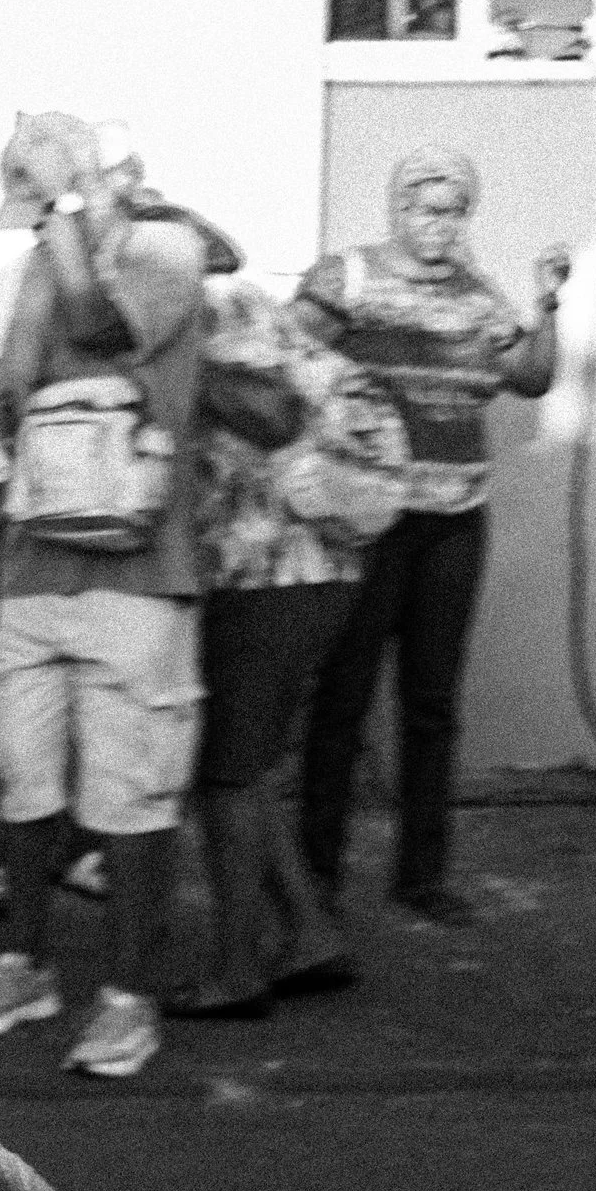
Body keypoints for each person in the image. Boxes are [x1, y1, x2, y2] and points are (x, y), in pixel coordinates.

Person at [0, 114, 219, 1083]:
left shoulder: (167, 254)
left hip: (139, 577)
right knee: (24, 779)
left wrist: (67, 213)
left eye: (47, 201)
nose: (34, 227)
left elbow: (101, 325)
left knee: (131, 790)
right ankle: (22, 966)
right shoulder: (21, 274)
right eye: (29, 207)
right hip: (30, 572)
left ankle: (127, 997)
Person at [294, 149, 568, 925]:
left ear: (464, 219)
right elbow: (283, 355)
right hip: (371, 521)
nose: (436, 226)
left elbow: (531, 377)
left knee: (432, 701)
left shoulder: (480, 296)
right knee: (343, 696)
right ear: (397, 211)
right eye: (422, 209)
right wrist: (337, 429)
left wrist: (547, 307)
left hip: (455, 520)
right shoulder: (348, 277)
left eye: (451, 212)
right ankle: (314, 874)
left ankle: (421, 874)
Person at [169, 278, 412, 1016]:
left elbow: (271, 415)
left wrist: (180, 368)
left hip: (271, 578)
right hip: (317, 577)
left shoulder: (216, 332)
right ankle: (310, 936)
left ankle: (236, 972)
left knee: (229, 776)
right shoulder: (259, 326)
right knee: (247, 767)